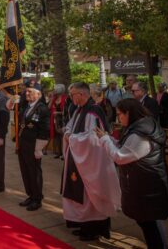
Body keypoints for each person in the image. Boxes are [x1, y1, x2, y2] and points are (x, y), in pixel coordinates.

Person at [94, 99, 168, 249]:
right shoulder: (140, 126)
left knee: (151, 224)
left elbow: (121, 157)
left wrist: (104, 140)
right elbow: (125, 148)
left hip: (148, 187)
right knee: (149, 222)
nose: (118, 118)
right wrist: (108, 138)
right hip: (145, 184)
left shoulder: (141, 134)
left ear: (129, 113)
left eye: (120, 114)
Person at [62, 82, 121, 241]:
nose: (71, 97)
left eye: (73, 94)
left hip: (92, 162)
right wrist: (68, 133)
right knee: (80, 193)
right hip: (79, 159)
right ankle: (84, 224)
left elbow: (94, 139)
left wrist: (71, 138)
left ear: (81, 94)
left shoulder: (93, 112)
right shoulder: (79, 110)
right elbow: (70, 126)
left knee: (90, 194)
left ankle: (93, 229)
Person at [17, 86, 50, 211]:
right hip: (23, 144)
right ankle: (30, 195)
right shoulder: (27, 106)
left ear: (39, 94)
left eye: (30, 91)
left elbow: (44, 130)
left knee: (34, 172)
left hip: (33, 146)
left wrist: (39, 148)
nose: (27, 93)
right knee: (25, 171)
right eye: (26, 91)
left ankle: (37, 198)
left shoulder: (42, 109)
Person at [48, 84, 67, 159]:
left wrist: (58, 113)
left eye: (55, 89)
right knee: (56, 137)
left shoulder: (65, 99)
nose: (54, 91)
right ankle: (58, 152)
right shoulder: (54, 98)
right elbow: (49, 107)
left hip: (62, 119)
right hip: (55, 120)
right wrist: (52, 99)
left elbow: (66, 112)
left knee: (62, 136)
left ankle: (63, 153)